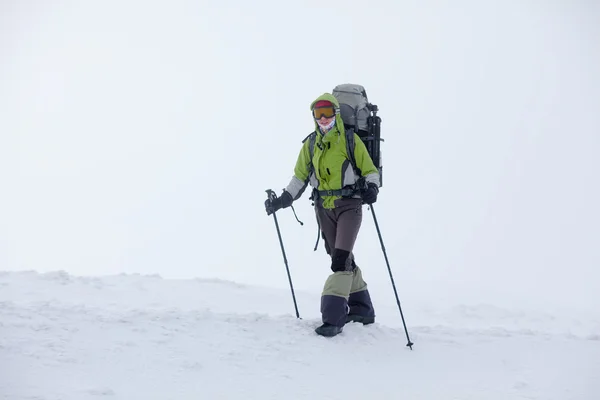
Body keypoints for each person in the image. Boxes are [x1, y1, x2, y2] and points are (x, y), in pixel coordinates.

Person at [264, 92, 380, 337]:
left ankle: (333, 318)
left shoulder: (350, 140)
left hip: (349, 205)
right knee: (341, 258)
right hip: (323, 208)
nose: (323, 118)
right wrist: (282, 201)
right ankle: (362, 309)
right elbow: (299, 178)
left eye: (327, 112)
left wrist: (371, 187)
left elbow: (369, 169)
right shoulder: (310, 144)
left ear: (336, 114)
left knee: (339, 261)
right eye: (318, 114)